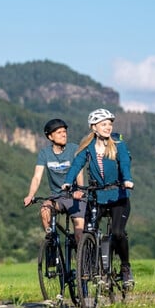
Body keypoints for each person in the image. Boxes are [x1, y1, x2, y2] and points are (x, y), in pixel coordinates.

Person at [62, 108, 135, 289]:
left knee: (117, 232)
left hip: (119, 196)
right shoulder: (88, 147)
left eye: (110, 124)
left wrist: (127, 179)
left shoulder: (118, 143)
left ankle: (125, 268)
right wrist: (67, 182)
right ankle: (94, 269)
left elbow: (125, 161)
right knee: (89, 230)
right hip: (98, 197)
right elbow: (77, 164)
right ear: (94, 127)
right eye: (104, 124)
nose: (108, 127)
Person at [24, 118, 85, 244]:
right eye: (59, 132)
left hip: (76, 197)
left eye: (65, 132)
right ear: (50, 137)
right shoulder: (45, 153)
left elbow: (79, 172)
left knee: (79, 235)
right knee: (45, 209)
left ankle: (82, 261)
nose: (64, 134)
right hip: (57, 197)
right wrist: (30, 195)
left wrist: (80, 190)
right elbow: (37, 177)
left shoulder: (74, 149)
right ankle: (52, 242)